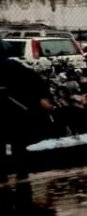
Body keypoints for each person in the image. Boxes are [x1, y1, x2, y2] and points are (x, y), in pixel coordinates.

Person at [0, 40, 54, 176]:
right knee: (18, 146)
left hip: (10, 111)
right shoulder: (13, 66)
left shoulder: (11, 66)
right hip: (15, 113)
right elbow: (36, 82)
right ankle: (21, 176)